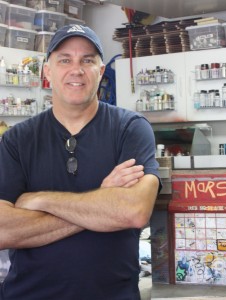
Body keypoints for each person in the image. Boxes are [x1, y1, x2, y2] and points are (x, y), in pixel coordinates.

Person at [0, 24, 160, 300]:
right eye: (65, 60)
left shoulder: (130, 129)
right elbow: (3, 231)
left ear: (100, 70)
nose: (77, 69)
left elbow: (133, 211)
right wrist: (102, 202)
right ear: (47, 71)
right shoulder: (17, 140)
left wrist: (39, 200)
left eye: (87, 60)